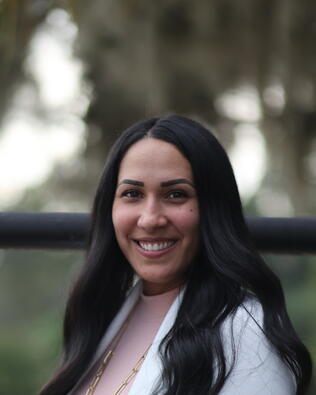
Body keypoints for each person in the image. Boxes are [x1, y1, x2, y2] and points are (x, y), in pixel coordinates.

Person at [40, 115, 312, 395]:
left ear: (212, 208)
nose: (149, 219)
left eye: (175, 195)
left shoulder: (247, 332)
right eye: (132, 193)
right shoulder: (98, 321)